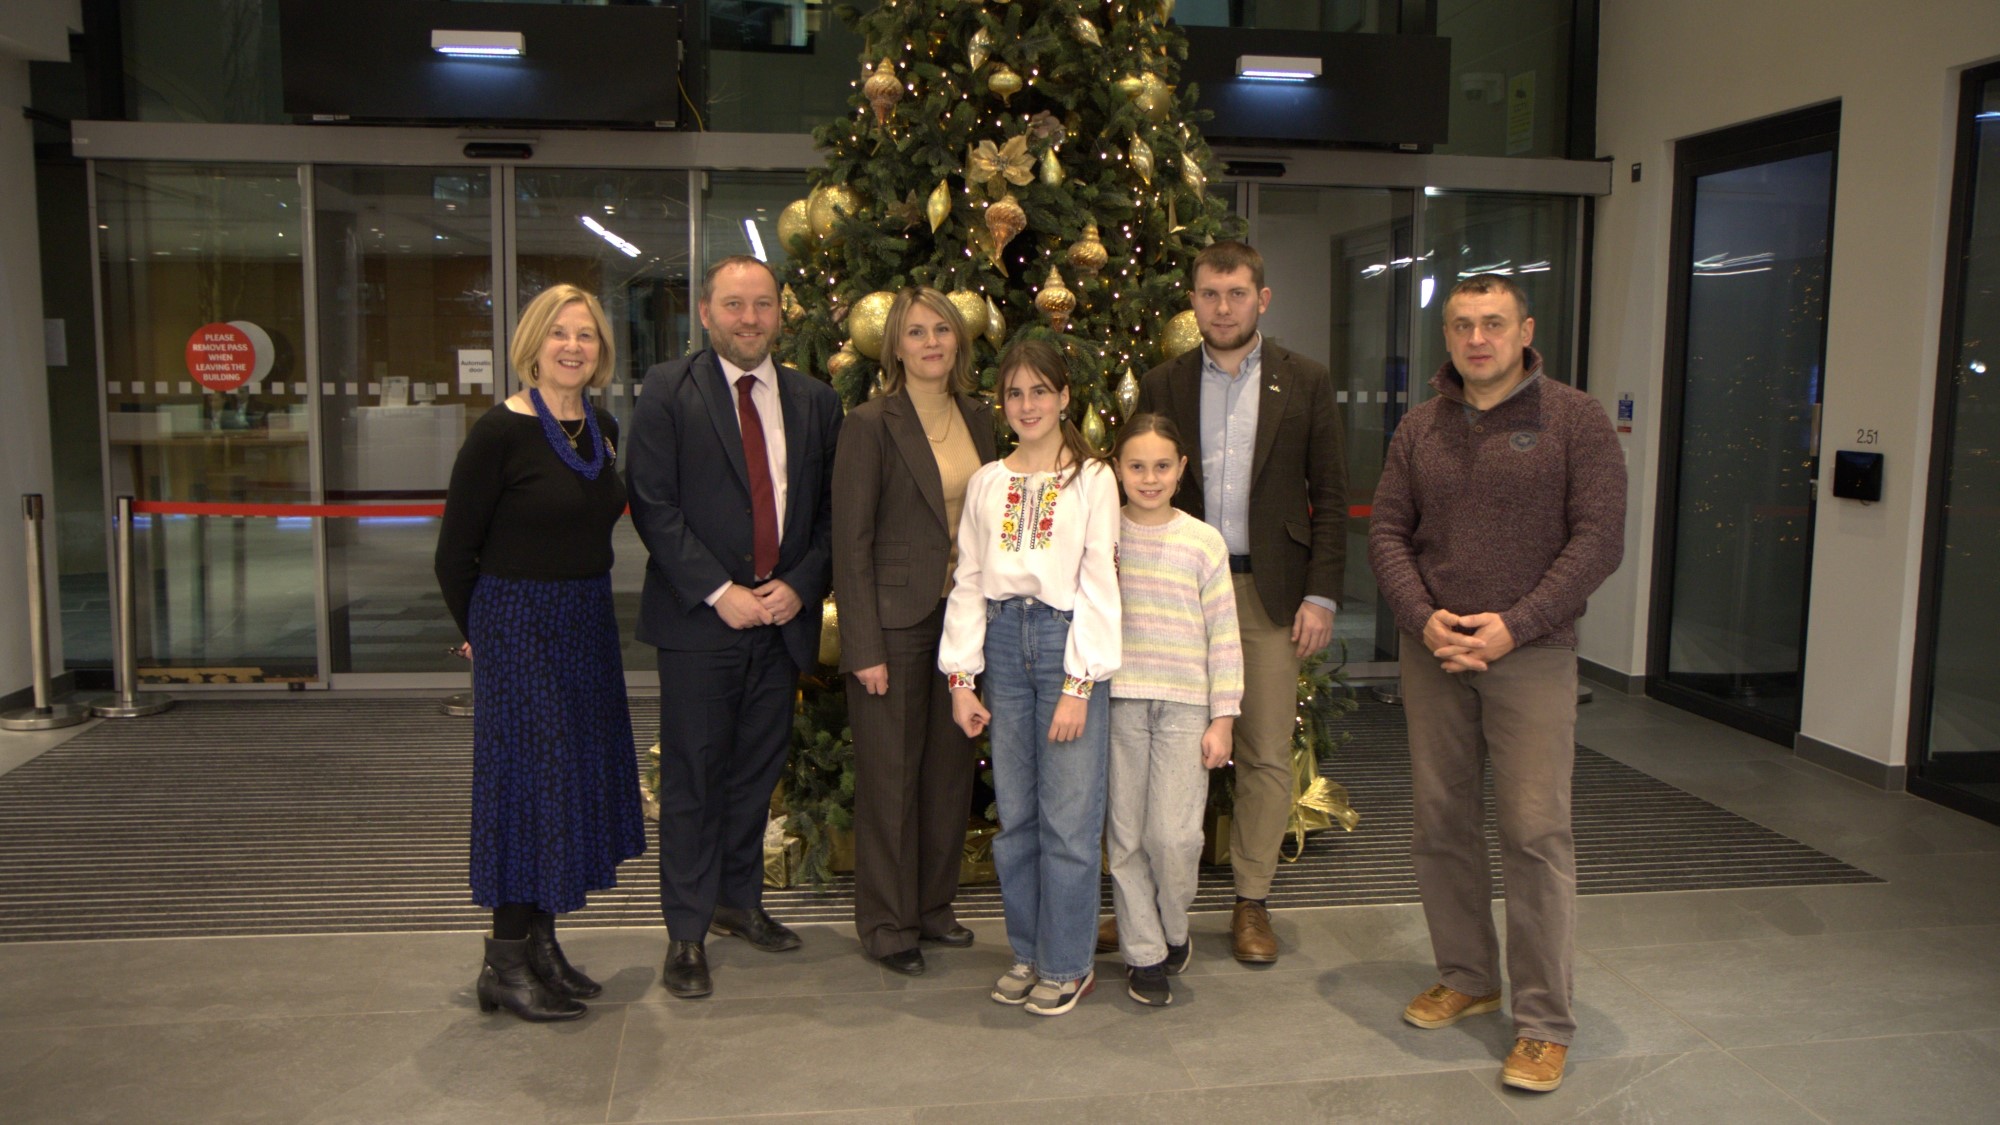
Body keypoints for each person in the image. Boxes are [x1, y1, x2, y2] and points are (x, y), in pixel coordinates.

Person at [1368, 274, 1625, 1094]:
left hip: (1533, 653)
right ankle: (1470, 975)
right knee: (1441, 821)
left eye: (1493, 323)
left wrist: (1517, 622)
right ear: (1446, 338)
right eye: (1462, 325)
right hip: (1436, 651)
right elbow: (1387, 533)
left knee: (1535, 831)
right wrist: (1422, 615)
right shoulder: (1419, 428)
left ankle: (1544, 1021)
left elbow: (1599, 540)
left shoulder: (1575, 421)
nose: (1477, 338)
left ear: (1525, 331)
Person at [625, 255, 842, 1000]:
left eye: (763, 304)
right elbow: (654, 504)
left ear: (782, 312)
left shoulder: (816, 400)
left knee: (755, 773)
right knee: (693, 777)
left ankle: (737, 900)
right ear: (707, 313)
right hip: (701, 622)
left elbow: (829, 514)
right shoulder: (665, 390)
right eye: (734, 305)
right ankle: (685, 931)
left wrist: (800, 584)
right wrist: (721, 591)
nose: (749, 318)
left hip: (780, 622)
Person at [434, 283, 646, 1023]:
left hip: (585, 620)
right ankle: (504, 960)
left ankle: (543, 946)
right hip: (520, 622)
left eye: (586, 335)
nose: (572, 346)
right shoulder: (500, 432)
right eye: (558, 333)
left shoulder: (602, 425)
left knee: (569, 782)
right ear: (533, 343)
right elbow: (453, 552)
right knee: (527, 785)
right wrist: (486, 633)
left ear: (600, 350)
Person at [1131, 240, 1347, 964]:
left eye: (1236, 292)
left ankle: (1251, 900)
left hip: (1269, 593)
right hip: (1171, 591)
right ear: (1192, 300)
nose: (1222, 307)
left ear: (1263, 297)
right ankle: (1152, 905)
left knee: (1260, 751)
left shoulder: (1306, 380)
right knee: (1154, 743)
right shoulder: (1162, 380)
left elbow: (1330, 494)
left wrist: (1320, 593)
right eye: (1209, 293)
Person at [940, 337, 1120, 1017]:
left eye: (1040, 391)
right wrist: (961, 677)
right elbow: (969, 580)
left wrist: (1079, 684)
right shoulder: (989, 480)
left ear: (1065, 395)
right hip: (1003, 644)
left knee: (1069, 820)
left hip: (1062, 639)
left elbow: (1101, 583)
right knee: (1017, 817)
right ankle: (1027, 948)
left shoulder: (1094, 478)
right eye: (1015, 393)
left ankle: (1068, 961)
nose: (1027, 405)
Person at [832, 287, 997, 976]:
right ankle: (887, 922)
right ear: (894, 345)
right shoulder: (870, 423)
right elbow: (851, 541)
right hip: (894, 624)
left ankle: (933, 907)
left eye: (943, 330)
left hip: (963, 619)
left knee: (948, 772)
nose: (932, 342)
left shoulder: (981, 419)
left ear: (958, 341)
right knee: (890, 777)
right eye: (917, 332)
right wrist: (862, 644)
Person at [1104, 413, 1243, 1007]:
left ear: (1182, 470)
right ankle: (1144, 953)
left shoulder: (1202, 541)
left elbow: (1225, 635)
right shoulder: (1103, 535)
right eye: (1136, 466)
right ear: (1117, 470)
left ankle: (1173, 923)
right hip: (1119, 702)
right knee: (1127, 836)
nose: (1149, 477)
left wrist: (1224, 716)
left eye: (1162, 466)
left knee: (1177, 836)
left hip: (1188, 706)